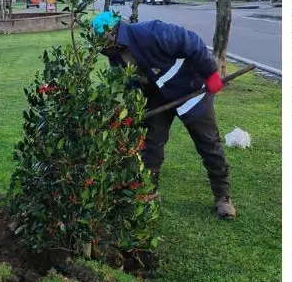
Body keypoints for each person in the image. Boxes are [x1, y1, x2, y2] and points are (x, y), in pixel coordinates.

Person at [90, 11, 236, 219]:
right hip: (158, 97)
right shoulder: (115, 56)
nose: (100, 47)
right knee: (151, 144)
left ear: (112, 33)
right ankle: (149, 191)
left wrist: (210, 73)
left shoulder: (150, 32)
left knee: (208, 143)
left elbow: (191, 41)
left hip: (191, 89)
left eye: (100, 40)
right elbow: (130, 83)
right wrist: (135, 108)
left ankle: (223, 197)